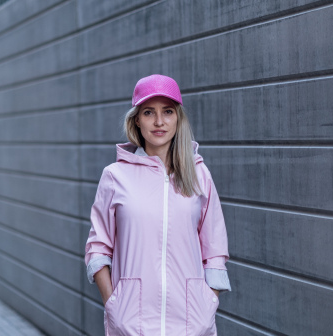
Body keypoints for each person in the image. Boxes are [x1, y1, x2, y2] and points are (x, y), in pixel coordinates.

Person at [84, 74, 231, 336]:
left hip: (190, 323)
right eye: (149, 112)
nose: (159, 121)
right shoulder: (115, 176)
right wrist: (114, 305)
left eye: (168, 111)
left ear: (178, 119)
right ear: (137, 120)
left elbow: (215, 249)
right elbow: (98, 248)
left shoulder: (199, 175)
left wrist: (207, 304)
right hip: (131, 323)